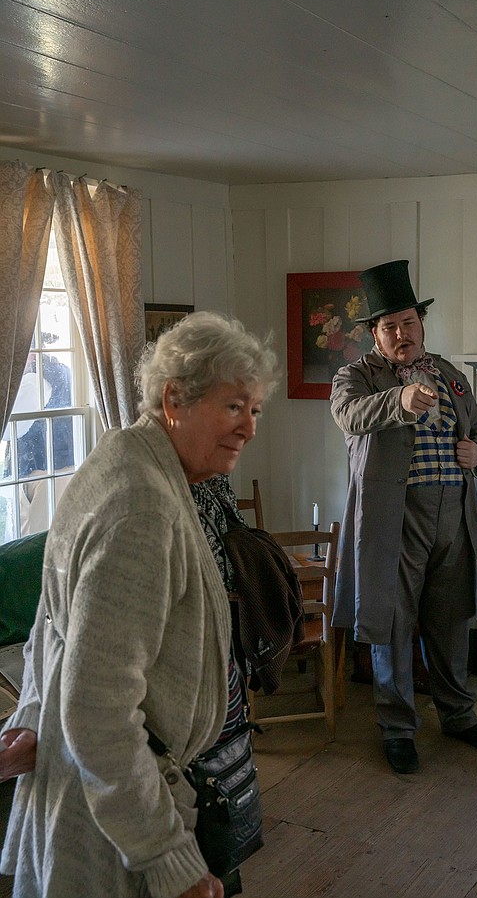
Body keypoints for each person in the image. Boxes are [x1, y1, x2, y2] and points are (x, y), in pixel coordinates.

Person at [0, 311, 278, 898]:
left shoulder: (120, 458)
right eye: (233, 407)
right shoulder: (143, 510)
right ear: (174, 398)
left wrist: (30, 718)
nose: (249, 428)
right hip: (120, 826)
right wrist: (169, 860)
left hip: (106, 790)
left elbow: (51, 626)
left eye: (254, 410)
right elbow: (97, 711)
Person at [330, 260, 477, 775]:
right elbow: (349, 416)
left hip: (454, 514)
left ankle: (458, 716)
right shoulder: (356, 376)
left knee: (451, 622)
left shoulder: (450, 375)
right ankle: (398, 729)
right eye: (389, 327)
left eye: (408, 323)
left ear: (422, 324)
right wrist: (400, 399)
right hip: (394, 519)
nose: (401, 334)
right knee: (392, 623)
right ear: (375, 334)